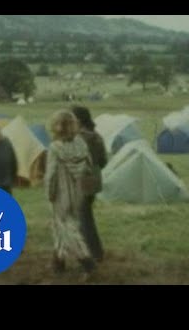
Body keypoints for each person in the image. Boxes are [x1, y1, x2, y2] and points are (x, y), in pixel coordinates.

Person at [44, 110, 96, 275]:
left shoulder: (55, 148)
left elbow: (51, 175)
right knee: (63, 225)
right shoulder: (81, 143)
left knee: (66, 227)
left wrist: (49, 193)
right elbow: (89, 166)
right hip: (77, 191)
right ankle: (58, 262)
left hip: (61, 193)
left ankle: (86, 260)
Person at [71, 106, 107, 262]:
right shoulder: (97, 137)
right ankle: (96, 251)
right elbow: (103, 161)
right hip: (94, 182)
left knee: (83, 221)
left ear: (78, 120)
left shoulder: (78, 139)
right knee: (87, 218)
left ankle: (91, 254)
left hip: (81, 182)